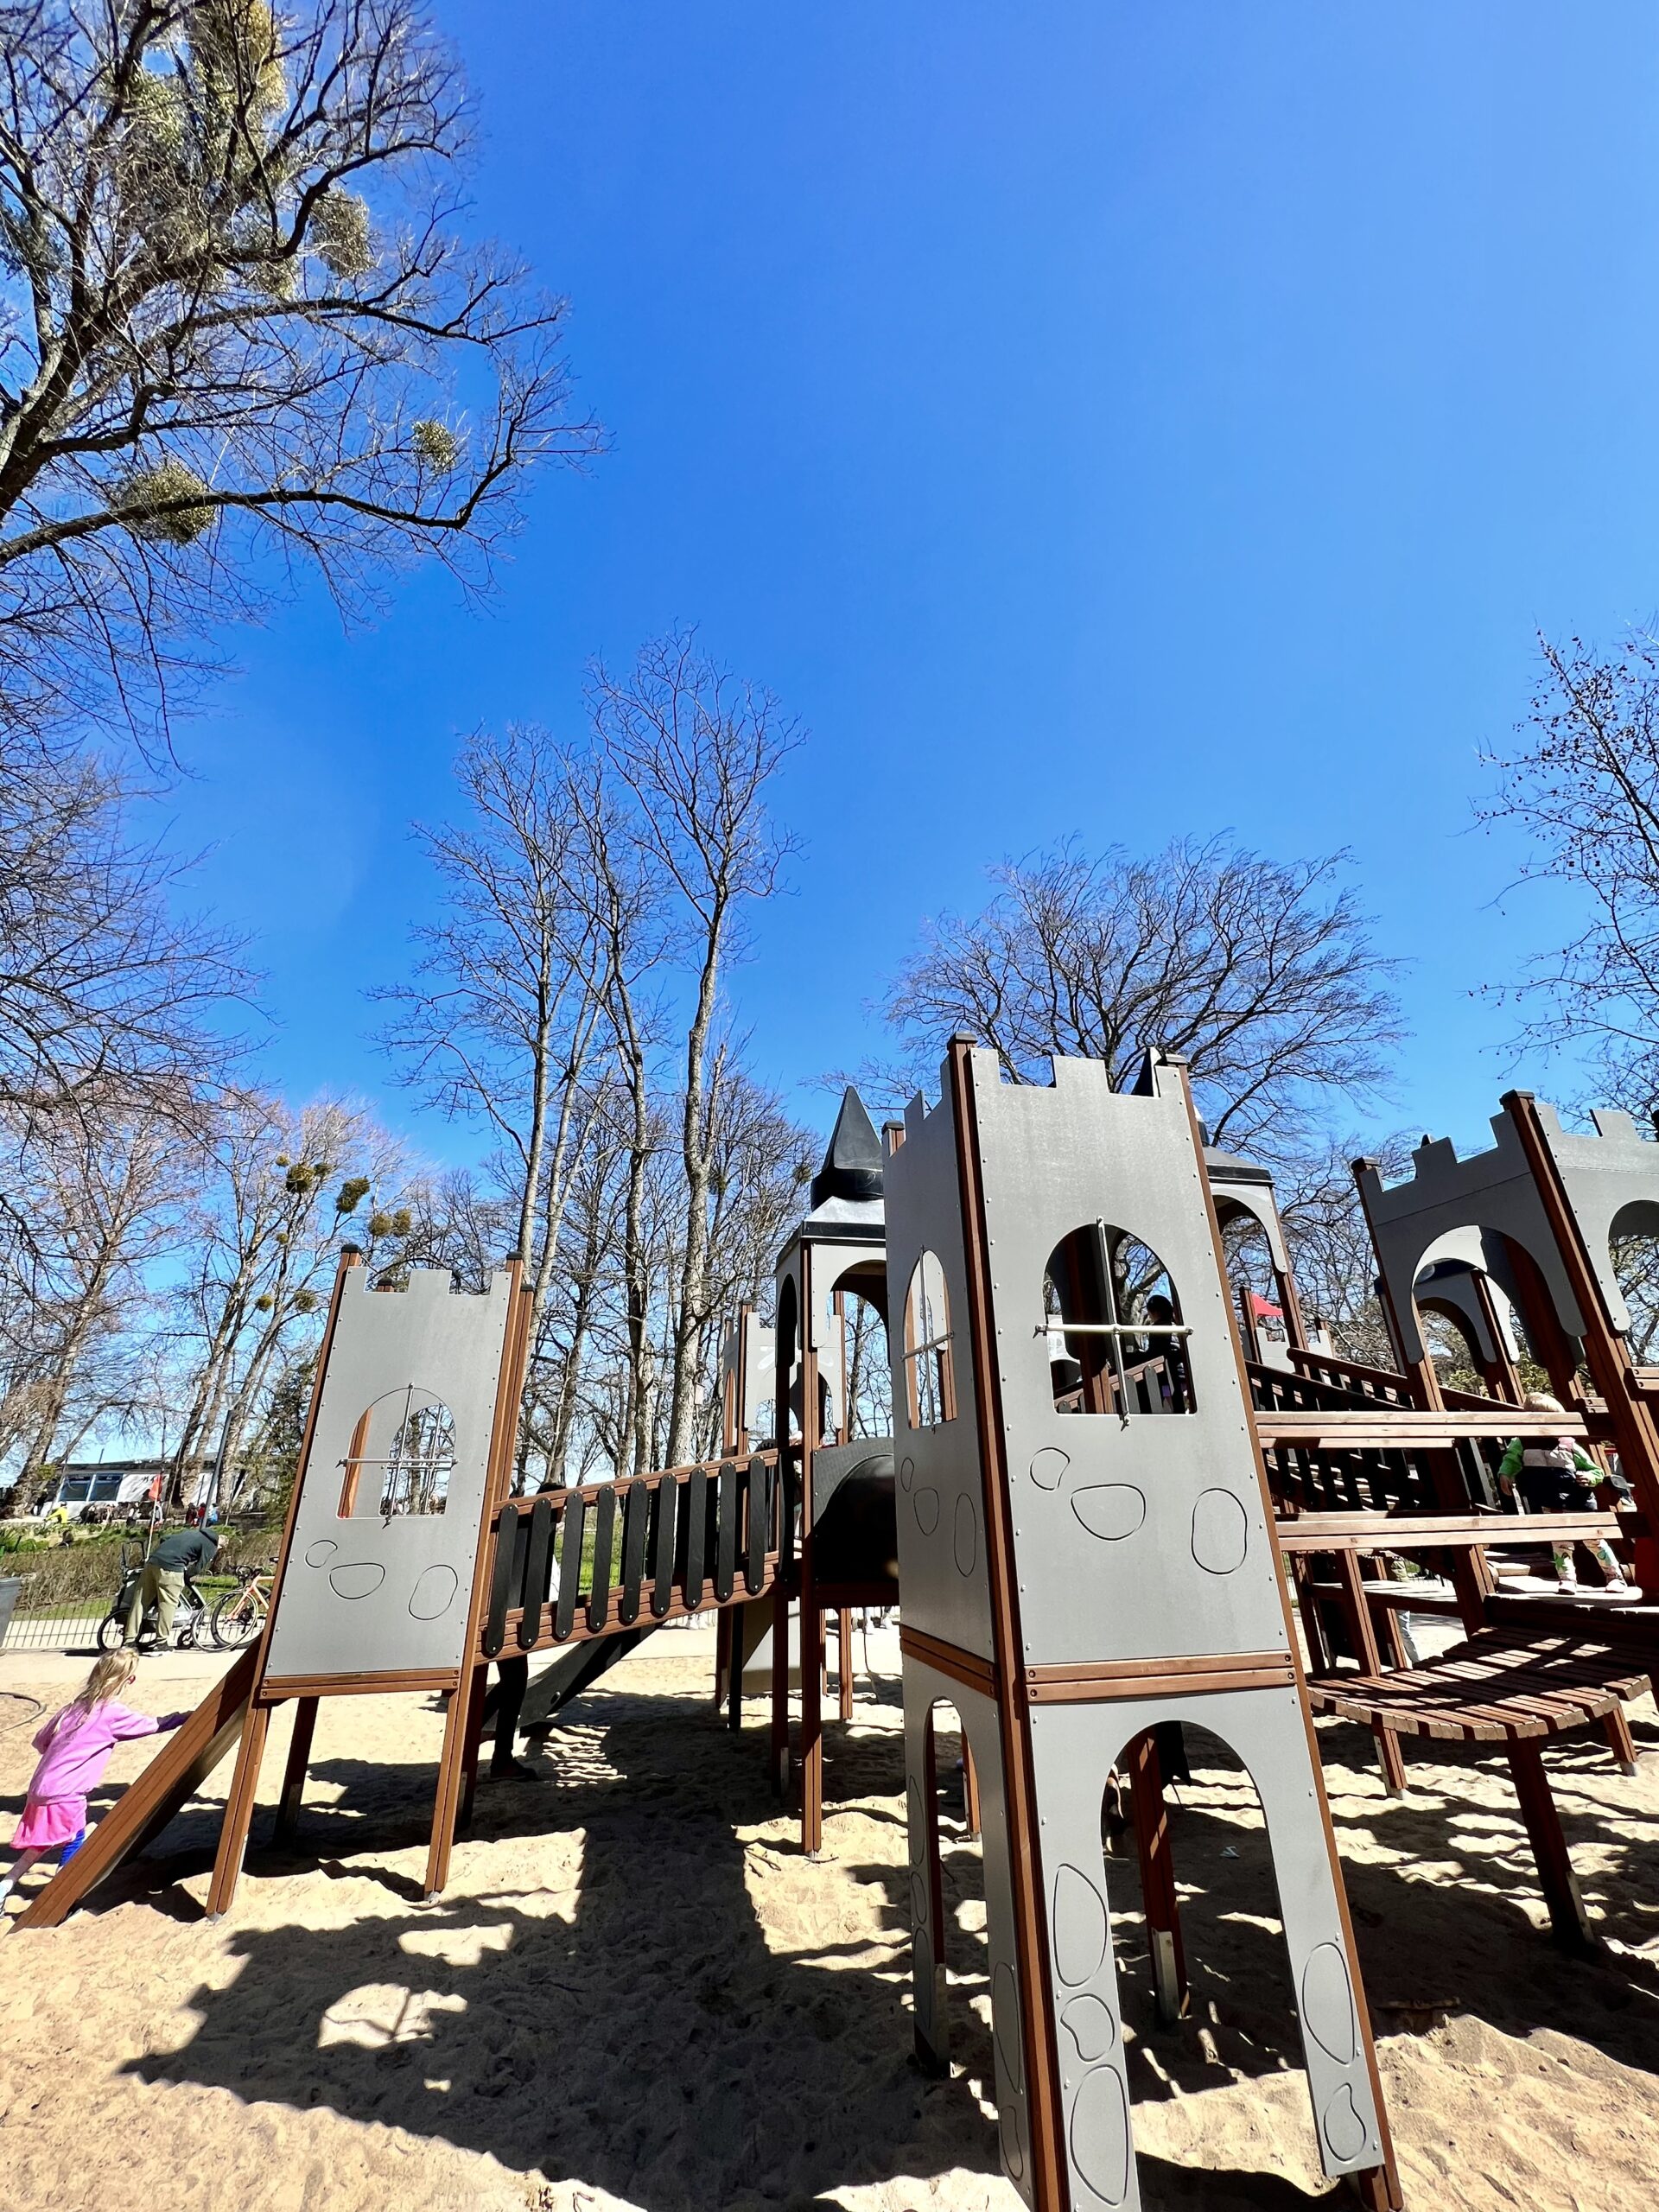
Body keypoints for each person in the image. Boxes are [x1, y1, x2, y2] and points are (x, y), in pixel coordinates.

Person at [0, 1650, 188, 1910]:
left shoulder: (71, 1709)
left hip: (40, 1789)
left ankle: (5, 1886)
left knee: (42, 1844)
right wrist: (182, 1717)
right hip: (67, 1792)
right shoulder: (111, 1713)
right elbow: (152, 1725)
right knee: (76, 1840)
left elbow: (40, 1741)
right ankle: (58, 1898)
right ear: (129, 1679)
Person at [1499, 1393, 1632, 1596]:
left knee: (1594, 1539)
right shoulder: (1522, 1443)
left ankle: (1614, 1577)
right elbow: (1511, 1459)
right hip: (1551, 1500)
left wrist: (1590, 1477)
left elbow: (1595, 1470)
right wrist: (1505, 1474)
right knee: (1561, 1542)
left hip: (1578, 1499)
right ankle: (1568, 1580)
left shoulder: (1568, 1445)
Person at [124, 1522, 219, 1649]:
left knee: (140, 1602)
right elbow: (198, 1567)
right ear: (220, 1545)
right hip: (172, 1569)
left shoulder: (191, 1533)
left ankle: (129, 1640)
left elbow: (165, 1538)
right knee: (167, 1605)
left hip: (152, 1563)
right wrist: (186, 1576)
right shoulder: (211, 1545)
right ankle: (162, 1643)